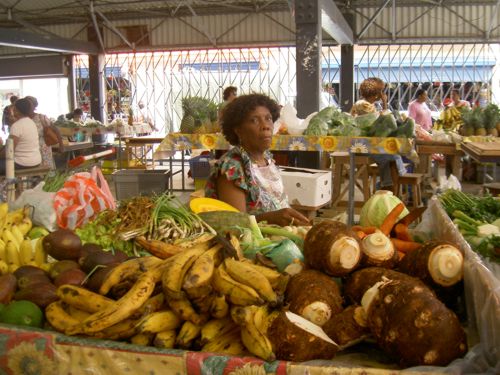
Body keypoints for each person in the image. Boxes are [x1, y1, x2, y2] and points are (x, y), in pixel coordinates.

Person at [205, 93, 310, 226]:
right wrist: (271, 218)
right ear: (238, 130)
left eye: (268, 118)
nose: (265, 126)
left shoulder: (267, 159)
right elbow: (236, 224)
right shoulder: (232, 168)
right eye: (254, 120)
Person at [350, 77, 406, 190]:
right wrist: (385, 102)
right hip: (363, 146)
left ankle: (389, 184)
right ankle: (390, 186)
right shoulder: (364, 105)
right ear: (376, 93)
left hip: (366, 143)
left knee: (392, 154)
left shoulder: (363, 104)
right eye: (381, 91)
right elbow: (380, 122)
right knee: (391, 155)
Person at [0, 98, 41, 174]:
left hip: (21, 163)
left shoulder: (17, 125)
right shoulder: (31, 122)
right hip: (35, 161)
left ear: (16, 110)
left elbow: (9, 151)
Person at [25, 96, 63, 169]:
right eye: (26, 104)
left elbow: (56, 130)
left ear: (34, 105)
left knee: (47, 171)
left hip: (43, 149)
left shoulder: (41, 117)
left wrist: (61, 145)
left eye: (30, 104)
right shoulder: (22, 119)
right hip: (29, 150)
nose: (28, 106)